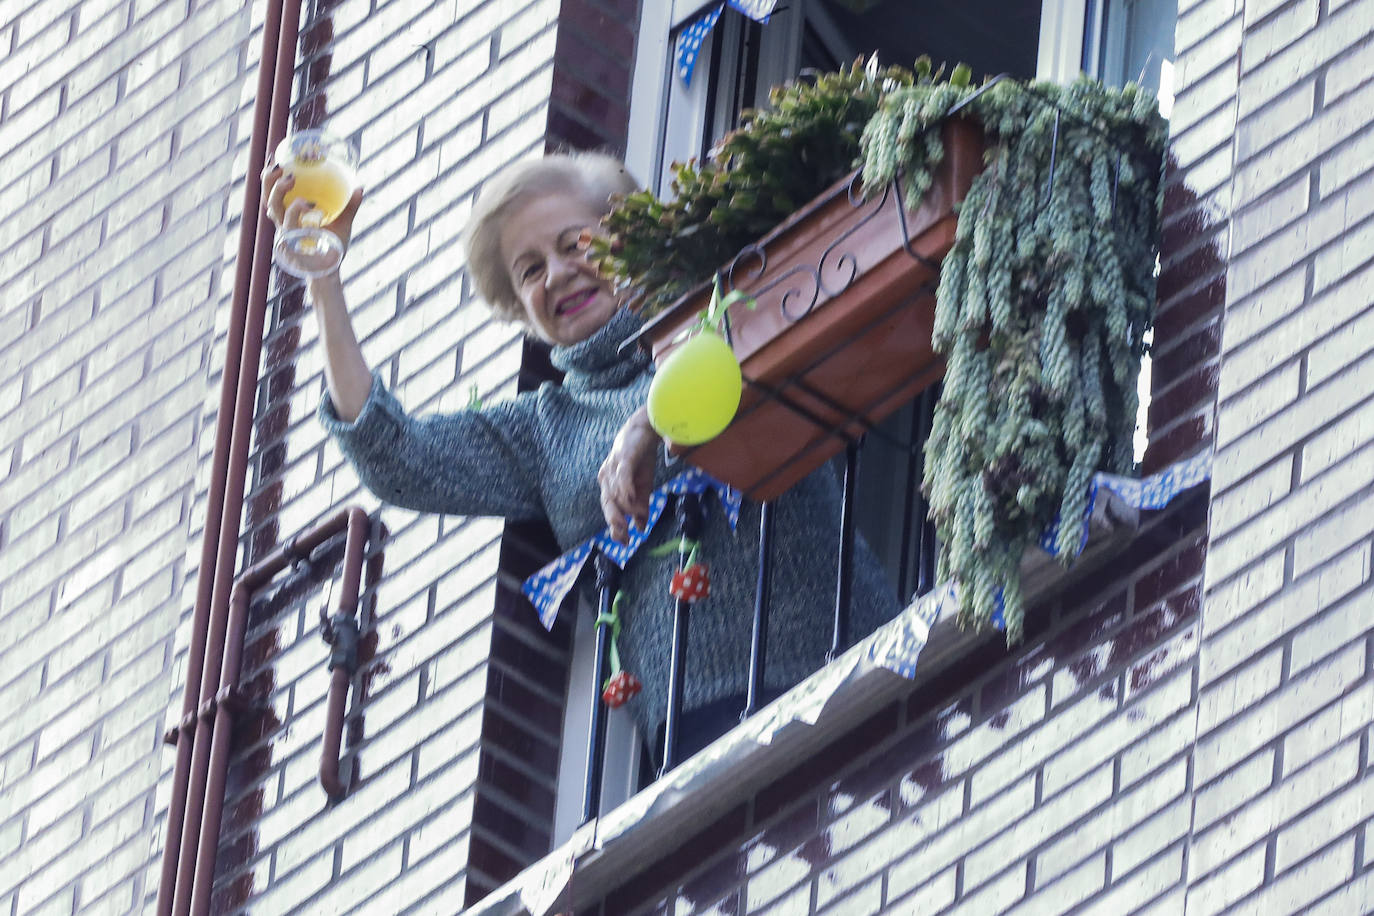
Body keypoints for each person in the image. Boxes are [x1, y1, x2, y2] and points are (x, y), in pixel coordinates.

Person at [263, 151, 901, 767]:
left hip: (854, 667)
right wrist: (323, 277)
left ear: (630, 240)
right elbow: (395, 457)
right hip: (698, 733)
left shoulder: (719, 313)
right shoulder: (545, 429)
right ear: (520, 308)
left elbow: (777, 329)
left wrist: (649, 422)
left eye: (575, 244)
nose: (558, 274)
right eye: (529, 271)